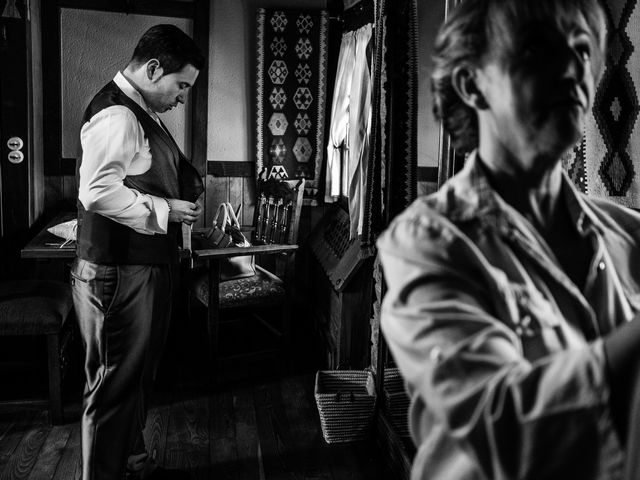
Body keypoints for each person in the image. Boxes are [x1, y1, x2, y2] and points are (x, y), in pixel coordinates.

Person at [377, 1, 640, 479]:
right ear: (471, 83)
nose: (570, 68)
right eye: (537, 47)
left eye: (582, 51)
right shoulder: (428, 244)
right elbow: (504, 421)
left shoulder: (628, 234)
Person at [71, 24, 204, 480]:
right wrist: (164, 209)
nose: (183, 96)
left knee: (133, 381)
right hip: (118, 272)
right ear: (152, 69)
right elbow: (97, 191)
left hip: (138, 268)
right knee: (112, 389)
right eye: (181, 85)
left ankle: (133, 466)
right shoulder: (119, 115)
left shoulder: (139, 109)